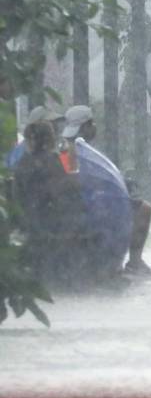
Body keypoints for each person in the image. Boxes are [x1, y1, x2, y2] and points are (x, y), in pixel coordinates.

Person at [61, 106, 151, 279]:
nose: (94, 127)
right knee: (144, 210)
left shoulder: (75, 146)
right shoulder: (74, 149)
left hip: (92, 200)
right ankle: (135, 262)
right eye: (92, 123)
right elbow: (76, 179)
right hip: (92, 202)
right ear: (86, 126)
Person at [13, 121, 91, 287]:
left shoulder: (22, 164)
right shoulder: (51, 161)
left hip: (28, 224)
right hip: (51, 226)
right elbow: (65, 195)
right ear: (49, 140)